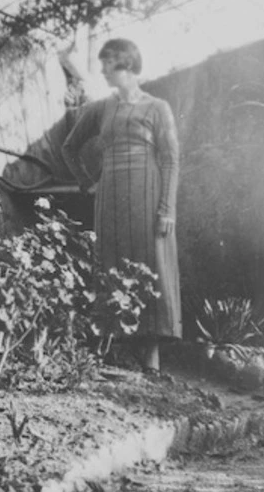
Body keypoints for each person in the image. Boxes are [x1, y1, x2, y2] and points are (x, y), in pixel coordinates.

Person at [61, 38, 182, 374]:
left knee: (150, 265)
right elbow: (69, 148)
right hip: (111, 196)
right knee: (112, 263)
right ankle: (112, 349)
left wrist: (167, 209)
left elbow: (171, 160)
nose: (102, 70)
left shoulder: (158, 108)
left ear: (126, 64)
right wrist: (88, 182)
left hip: (147, 193)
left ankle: (151, 359)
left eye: (108, 63)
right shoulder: (101, 108)